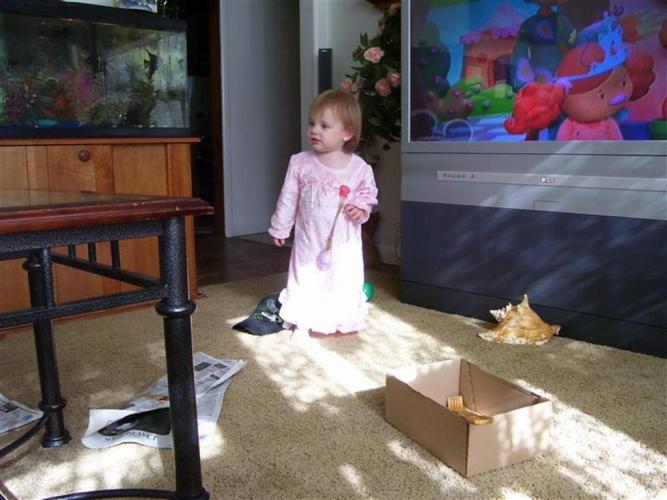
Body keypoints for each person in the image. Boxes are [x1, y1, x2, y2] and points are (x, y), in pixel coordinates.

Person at [268, 89, 378, 337]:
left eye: (324, 126)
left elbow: (368, 193)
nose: (315, 130)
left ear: (347, 133)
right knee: (307, 275)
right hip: (309, 239)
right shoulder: (300, 162)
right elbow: (288, 197)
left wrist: (361, 208)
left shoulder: (359, 168)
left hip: (343, 242)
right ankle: (304, 319)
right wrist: (280, 227)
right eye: (312, 123)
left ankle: (341, 316)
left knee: (342, 277)